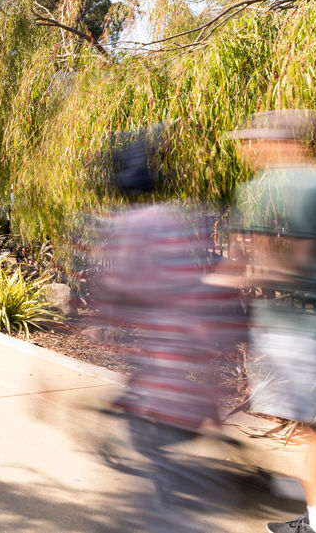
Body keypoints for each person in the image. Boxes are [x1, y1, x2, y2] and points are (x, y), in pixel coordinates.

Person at [88, 128, 244, 531]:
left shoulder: (129, 227)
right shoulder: (184, 215)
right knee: (178, 473)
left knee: (162, 473)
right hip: (194, 357)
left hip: (165, 377)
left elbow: (122, 290)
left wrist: (100, 321)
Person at [207, 110, 316, 533]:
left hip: (292, 328)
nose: (247, 150)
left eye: (251, 141)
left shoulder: (260, 189)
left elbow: (249, 264)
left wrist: (208, 281)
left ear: (276, 142)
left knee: (304, 430)